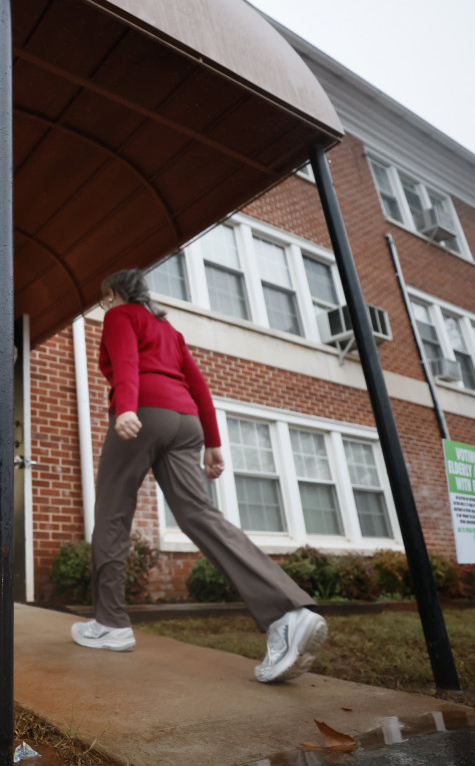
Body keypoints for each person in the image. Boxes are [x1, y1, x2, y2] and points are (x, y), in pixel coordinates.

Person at [70, 268, 327, 684]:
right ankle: (287, 612)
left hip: (143, 414)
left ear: (114, 293)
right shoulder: (169, 330)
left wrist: (128, 407)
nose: (106, 305)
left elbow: (126, 361)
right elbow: (199, 384)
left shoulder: (121, 316)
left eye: (106, 298)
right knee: (198, 513)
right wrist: (213, 441)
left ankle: (110, 624)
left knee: (113, 515)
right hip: (186, 422)